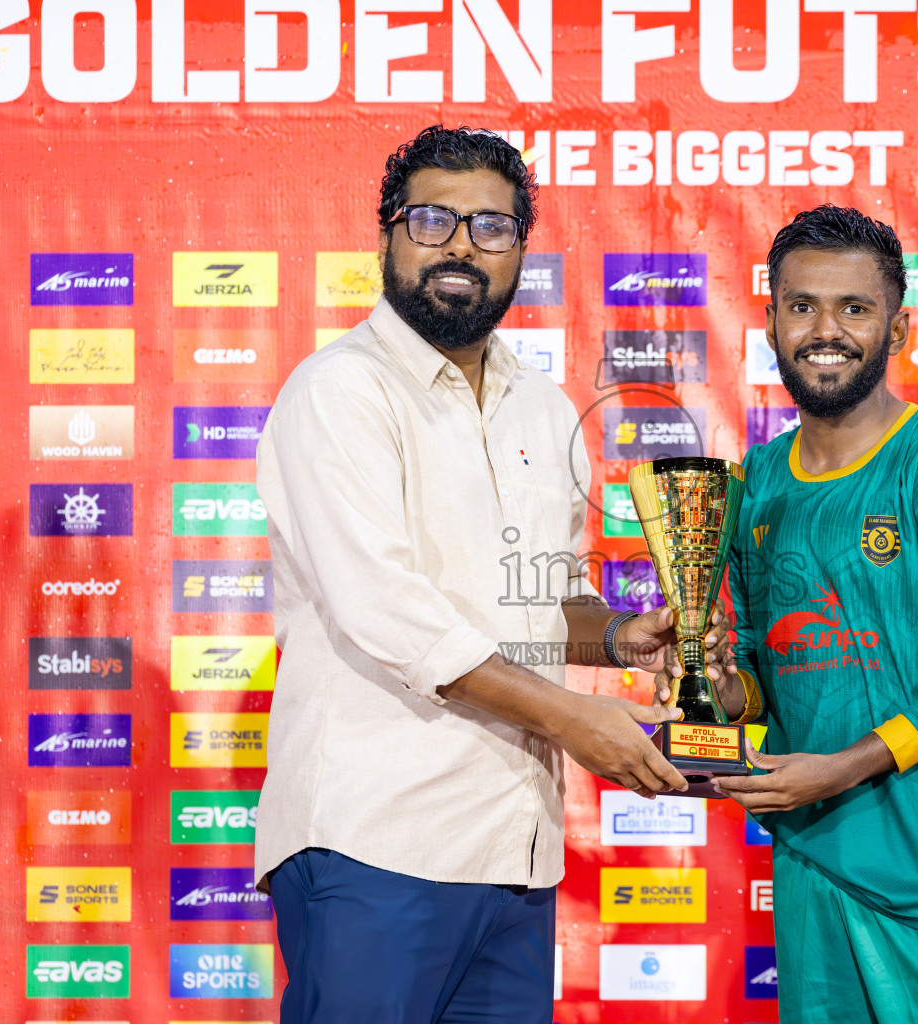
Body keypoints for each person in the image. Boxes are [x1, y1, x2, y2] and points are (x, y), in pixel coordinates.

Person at [254, 125, 727, 1024]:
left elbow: (543, 598)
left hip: (515, 852)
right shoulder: (339, 392)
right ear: (388, 233)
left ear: (521, 250)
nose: (462, 243)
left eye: (492, 225)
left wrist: (622, 635)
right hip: (374, 844)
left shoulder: (544, 408)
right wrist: (580, 721)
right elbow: (389, 614)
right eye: (434, 220)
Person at [659, 205, 918, 1024]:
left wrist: (841, 766)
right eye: (802, 306)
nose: (825, 330)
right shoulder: (754, 479)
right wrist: (721, 694)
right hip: (814, 871)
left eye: (854, 309)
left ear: (898, 331)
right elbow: (763, 672)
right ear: (770, 323)